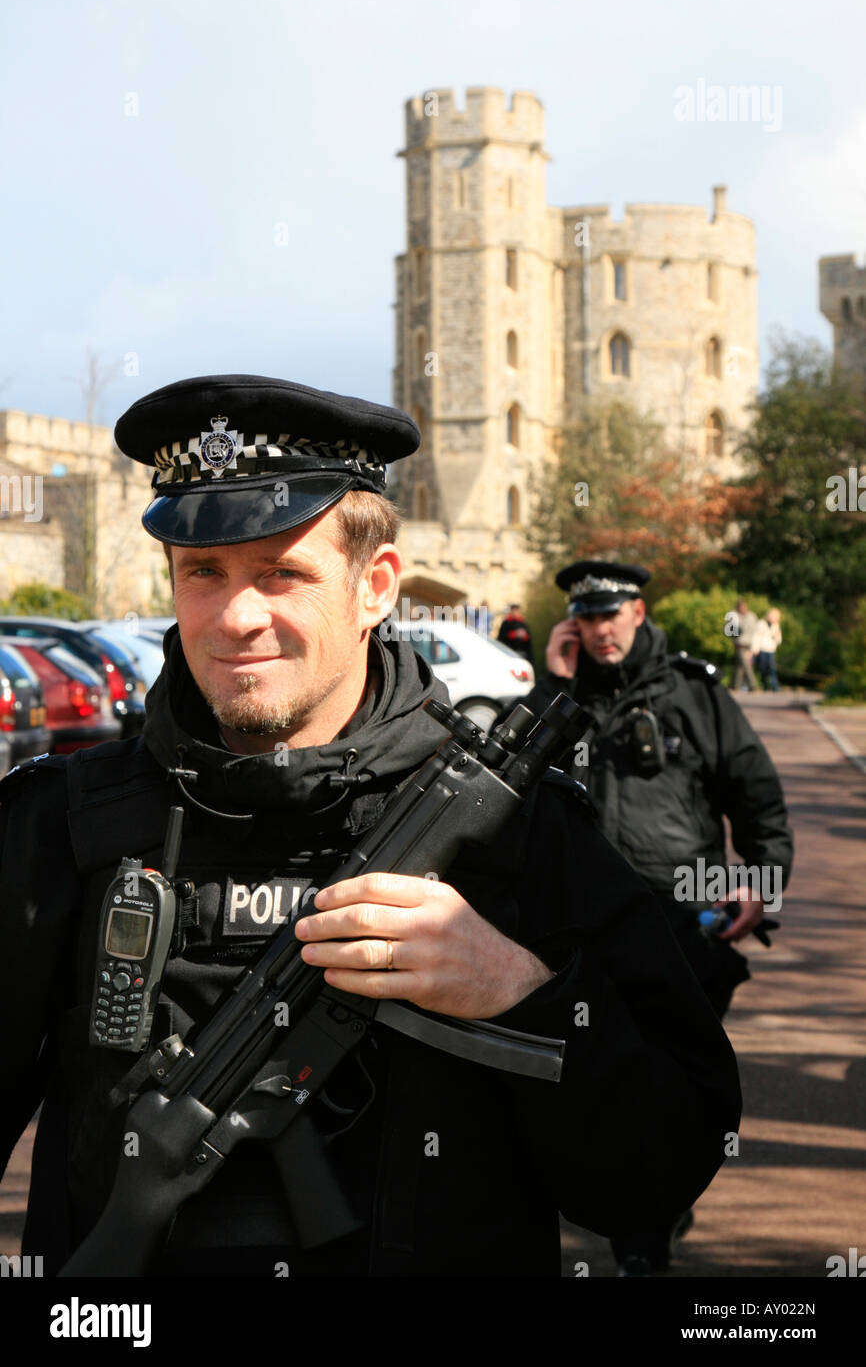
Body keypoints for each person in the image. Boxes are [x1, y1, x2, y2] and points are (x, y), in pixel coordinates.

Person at [0, 380, 740, 1279]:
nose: (237, 617)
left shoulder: (520, 835)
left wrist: (519, 990)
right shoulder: (59, 827)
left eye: (282, 573)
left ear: (374, 585)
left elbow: (656, 1170)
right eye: (205, 572)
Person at [506, 559, 793, 1274]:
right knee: (589, 1071)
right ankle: (633, 1208)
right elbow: (510, 783)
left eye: (612, 615)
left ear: (638, 612)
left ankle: (648, 1228)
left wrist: (761, 881)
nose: (600, 631)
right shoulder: (564, 695)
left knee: (668, 1078)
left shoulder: (694, 692)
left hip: (677, 920)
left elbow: (755, 793)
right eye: (587, 618)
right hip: (582, 930)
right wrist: (555, 682)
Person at [728, 598, 758, 691]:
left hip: (748, 644)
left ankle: (734, 685)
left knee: (739, 666)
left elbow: (755, 631)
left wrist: (755, 646)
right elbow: (731, 631)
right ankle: (753, 685)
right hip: (739, 645)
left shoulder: (752, 616)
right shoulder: (734, 615)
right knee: (746, 665)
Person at [752, 607, 782, 692]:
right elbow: (756, 637)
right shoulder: (761, 624)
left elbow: (779, 641)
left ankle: (775, 687)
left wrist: (777, 634)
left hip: (771, 650)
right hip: (762, 649)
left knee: (772, 669)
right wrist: (755, 648)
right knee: (763, 669)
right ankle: (765, 685)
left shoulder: (776, 626)